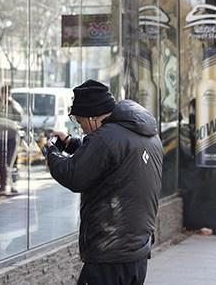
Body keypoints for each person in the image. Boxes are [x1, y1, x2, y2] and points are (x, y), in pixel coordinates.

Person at [42, 80, 163, 285]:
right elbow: (110, 159)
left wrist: (51, 154)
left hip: (110, 251)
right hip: (137, 249)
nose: (81, 127)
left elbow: (75, 175)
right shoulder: (143, 133)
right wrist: (71, 144)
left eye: (79, 122)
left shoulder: (106, 138)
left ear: (91, 117)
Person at [0, 85, 23, 194]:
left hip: (11, 136)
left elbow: (19, 117)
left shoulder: (14, 105)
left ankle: (14, 185)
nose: (5, 96)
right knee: (2, 162)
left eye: (7, 94)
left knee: (11, 162)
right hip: (0, 136)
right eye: (3, 93)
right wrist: (1, 106)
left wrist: (11, 104)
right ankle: (3, 186)